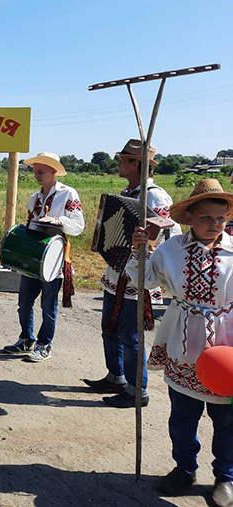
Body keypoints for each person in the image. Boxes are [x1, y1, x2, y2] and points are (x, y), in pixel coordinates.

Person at [127, 178, 233, 504]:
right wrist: (140, 250)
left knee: (227, 421)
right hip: (182, 343)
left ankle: (226, 478)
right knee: (182, 416)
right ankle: (184, 468)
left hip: (226, 349)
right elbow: (141, 280)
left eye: (221, 219)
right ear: (190, 217)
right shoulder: (172, 250)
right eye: (206, 218)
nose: (214, 225)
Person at [83, 139, 183, 408]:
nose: (118, 163)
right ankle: (115, 376)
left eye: (123, 159)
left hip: (139, 274)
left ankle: (138, 389)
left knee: (130, 334)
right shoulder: (128, 191)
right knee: (110, 328)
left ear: (136, 164)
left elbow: (167, 233)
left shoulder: (155, 195)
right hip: (117, 272)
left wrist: (143, 245)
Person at [1, 152, 85, 361]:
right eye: (35, 172)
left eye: (41, 172)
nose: (37, 176)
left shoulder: (68, 194)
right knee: (25, 302)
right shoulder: (34, 198)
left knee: (48, 305)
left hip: (55, 258)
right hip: (33, 256)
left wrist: (58, 221)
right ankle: (26, 339)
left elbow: (78, 226)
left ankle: (44, 344)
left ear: (54, 172)